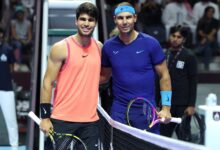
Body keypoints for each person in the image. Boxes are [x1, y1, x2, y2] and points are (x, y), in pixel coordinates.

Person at [100, 2, 172, 134]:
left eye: (128, 17)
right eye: (120, 18)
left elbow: (164, 76)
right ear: (115, 20)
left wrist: (166, 108)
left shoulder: (151, 43)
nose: (124, 21)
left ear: (135, 18)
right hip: (119, 110)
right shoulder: (108, 47)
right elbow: (104, 77)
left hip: (146, 110)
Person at [39, 2, 102, 150]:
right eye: (83, 19)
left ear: (96, 23)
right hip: (62, 120)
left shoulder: (99, 48)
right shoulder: (60, 48)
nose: (86, 23)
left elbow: (101, 77)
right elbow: (47, 82)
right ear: (76, 21)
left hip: (90, 123)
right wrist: (45, 117)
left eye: (91, 20)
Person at [160, 25, 198, 139]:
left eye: (179, 37)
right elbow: (159, 78)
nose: (175, 39)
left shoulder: (189, 56)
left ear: (184, 39)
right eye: (173, 36)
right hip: (166, 104)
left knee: (184, 137)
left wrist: (191, 105)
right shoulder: (164, 54)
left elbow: (193, 81)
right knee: (163, 137)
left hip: (182, 104)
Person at [0, 27, 18, 148]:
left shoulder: (7, 49)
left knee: (11, 121)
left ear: (1, 35)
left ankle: (14, 146)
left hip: (6, 89)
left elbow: (13, 67)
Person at [196, 6, 219, 71]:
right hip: (205, 43)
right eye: (209, 11)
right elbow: (200, 32)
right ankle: (207, 67)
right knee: (207, 49)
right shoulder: (201, 21)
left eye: (212, 12)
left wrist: (205, 39)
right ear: (206, 12)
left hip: (213, 43)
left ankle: (199, 49)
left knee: (209, 43)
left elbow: (213, 32)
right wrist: (207, 38)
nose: (210, 13)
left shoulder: (216, 21)